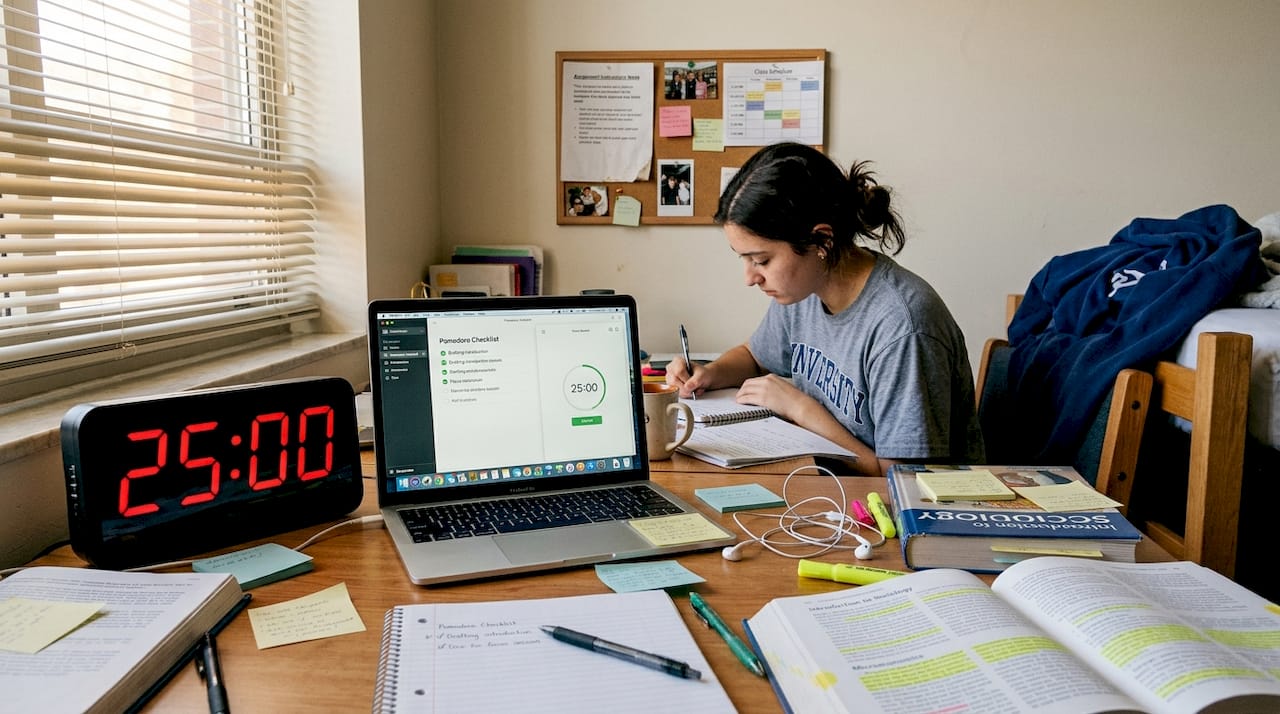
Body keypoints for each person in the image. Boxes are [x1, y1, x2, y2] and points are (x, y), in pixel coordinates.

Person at [666, 142, 984, 477]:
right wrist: (709, 374)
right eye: (743, 258)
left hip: (903, 511)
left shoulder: (903, 328)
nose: (749, 277)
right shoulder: (803, 290)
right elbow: (755, 355)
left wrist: (801, 409)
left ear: (822, 242)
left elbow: (904, 482)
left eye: (761, 260)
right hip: (829, 483)